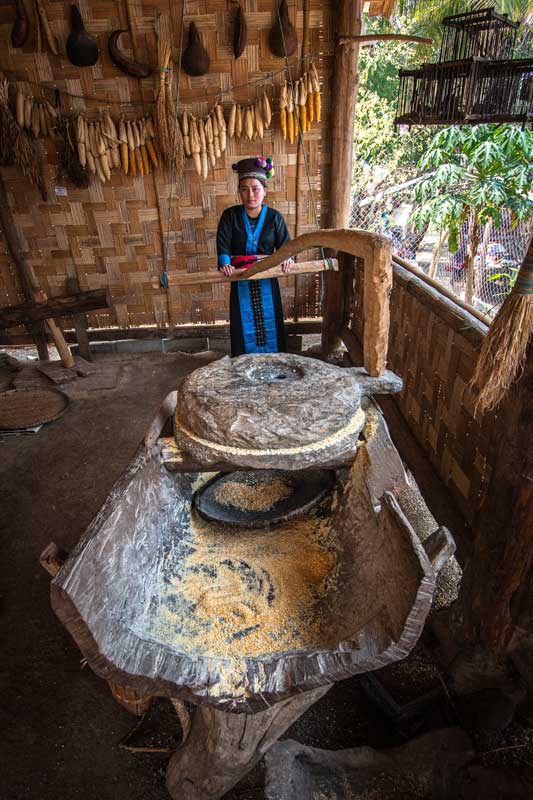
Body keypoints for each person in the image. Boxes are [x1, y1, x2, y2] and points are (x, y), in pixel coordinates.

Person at [216, 156, 293, 357]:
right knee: (244, 322)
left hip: (267, 277)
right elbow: (223, 244)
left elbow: (286, 246)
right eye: (244, 189)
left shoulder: (275, 218)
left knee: (269, 320)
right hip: (241, 276)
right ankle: (243, 366)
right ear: (239, 192)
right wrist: (225, 262)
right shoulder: (230, 216)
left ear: (264, 191)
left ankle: (274, 361)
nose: (250, 194)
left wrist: (287, 258)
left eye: (255, 188)